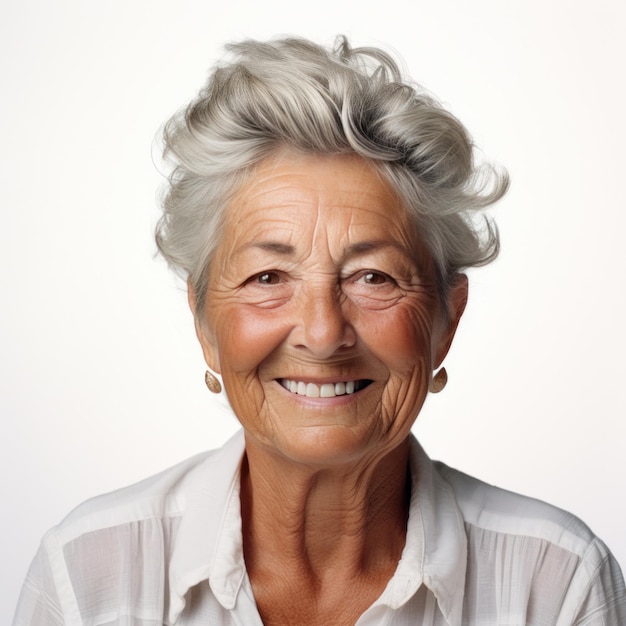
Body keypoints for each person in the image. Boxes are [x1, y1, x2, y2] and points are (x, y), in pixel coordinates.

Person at [13, 35, 625, 626]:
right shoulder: (89, 577)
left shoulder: (553, 584)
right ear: (203, 320)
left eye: (374, 278)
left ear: (446, 320)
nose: (323, 332)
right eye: (268, 276)